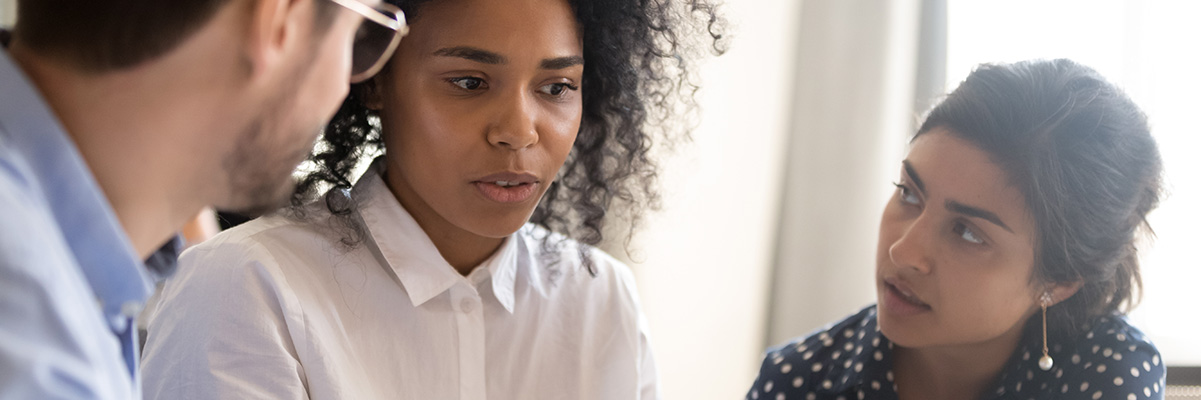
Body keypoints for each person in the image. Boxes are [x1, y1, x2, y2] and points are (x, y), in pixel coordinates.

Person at [140, 0, 725, 398]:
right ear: (377, 79)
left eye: (556, 87)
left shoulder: (600, 299)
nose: (519, 130)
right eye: (469, 83)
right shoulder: (249, 286)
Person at [0, 0, 408, 398]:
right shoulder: (35, 342)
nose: (343, 87)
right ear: (281, 19)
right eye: (357, 37)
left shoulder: (66, 287)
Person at [747, 59, 1166, 400]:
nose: (903, 252)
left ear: (1057, 282)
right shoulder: (796, 381)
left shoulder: (1108, 373)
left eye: (967, 232)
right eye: (909, 194)